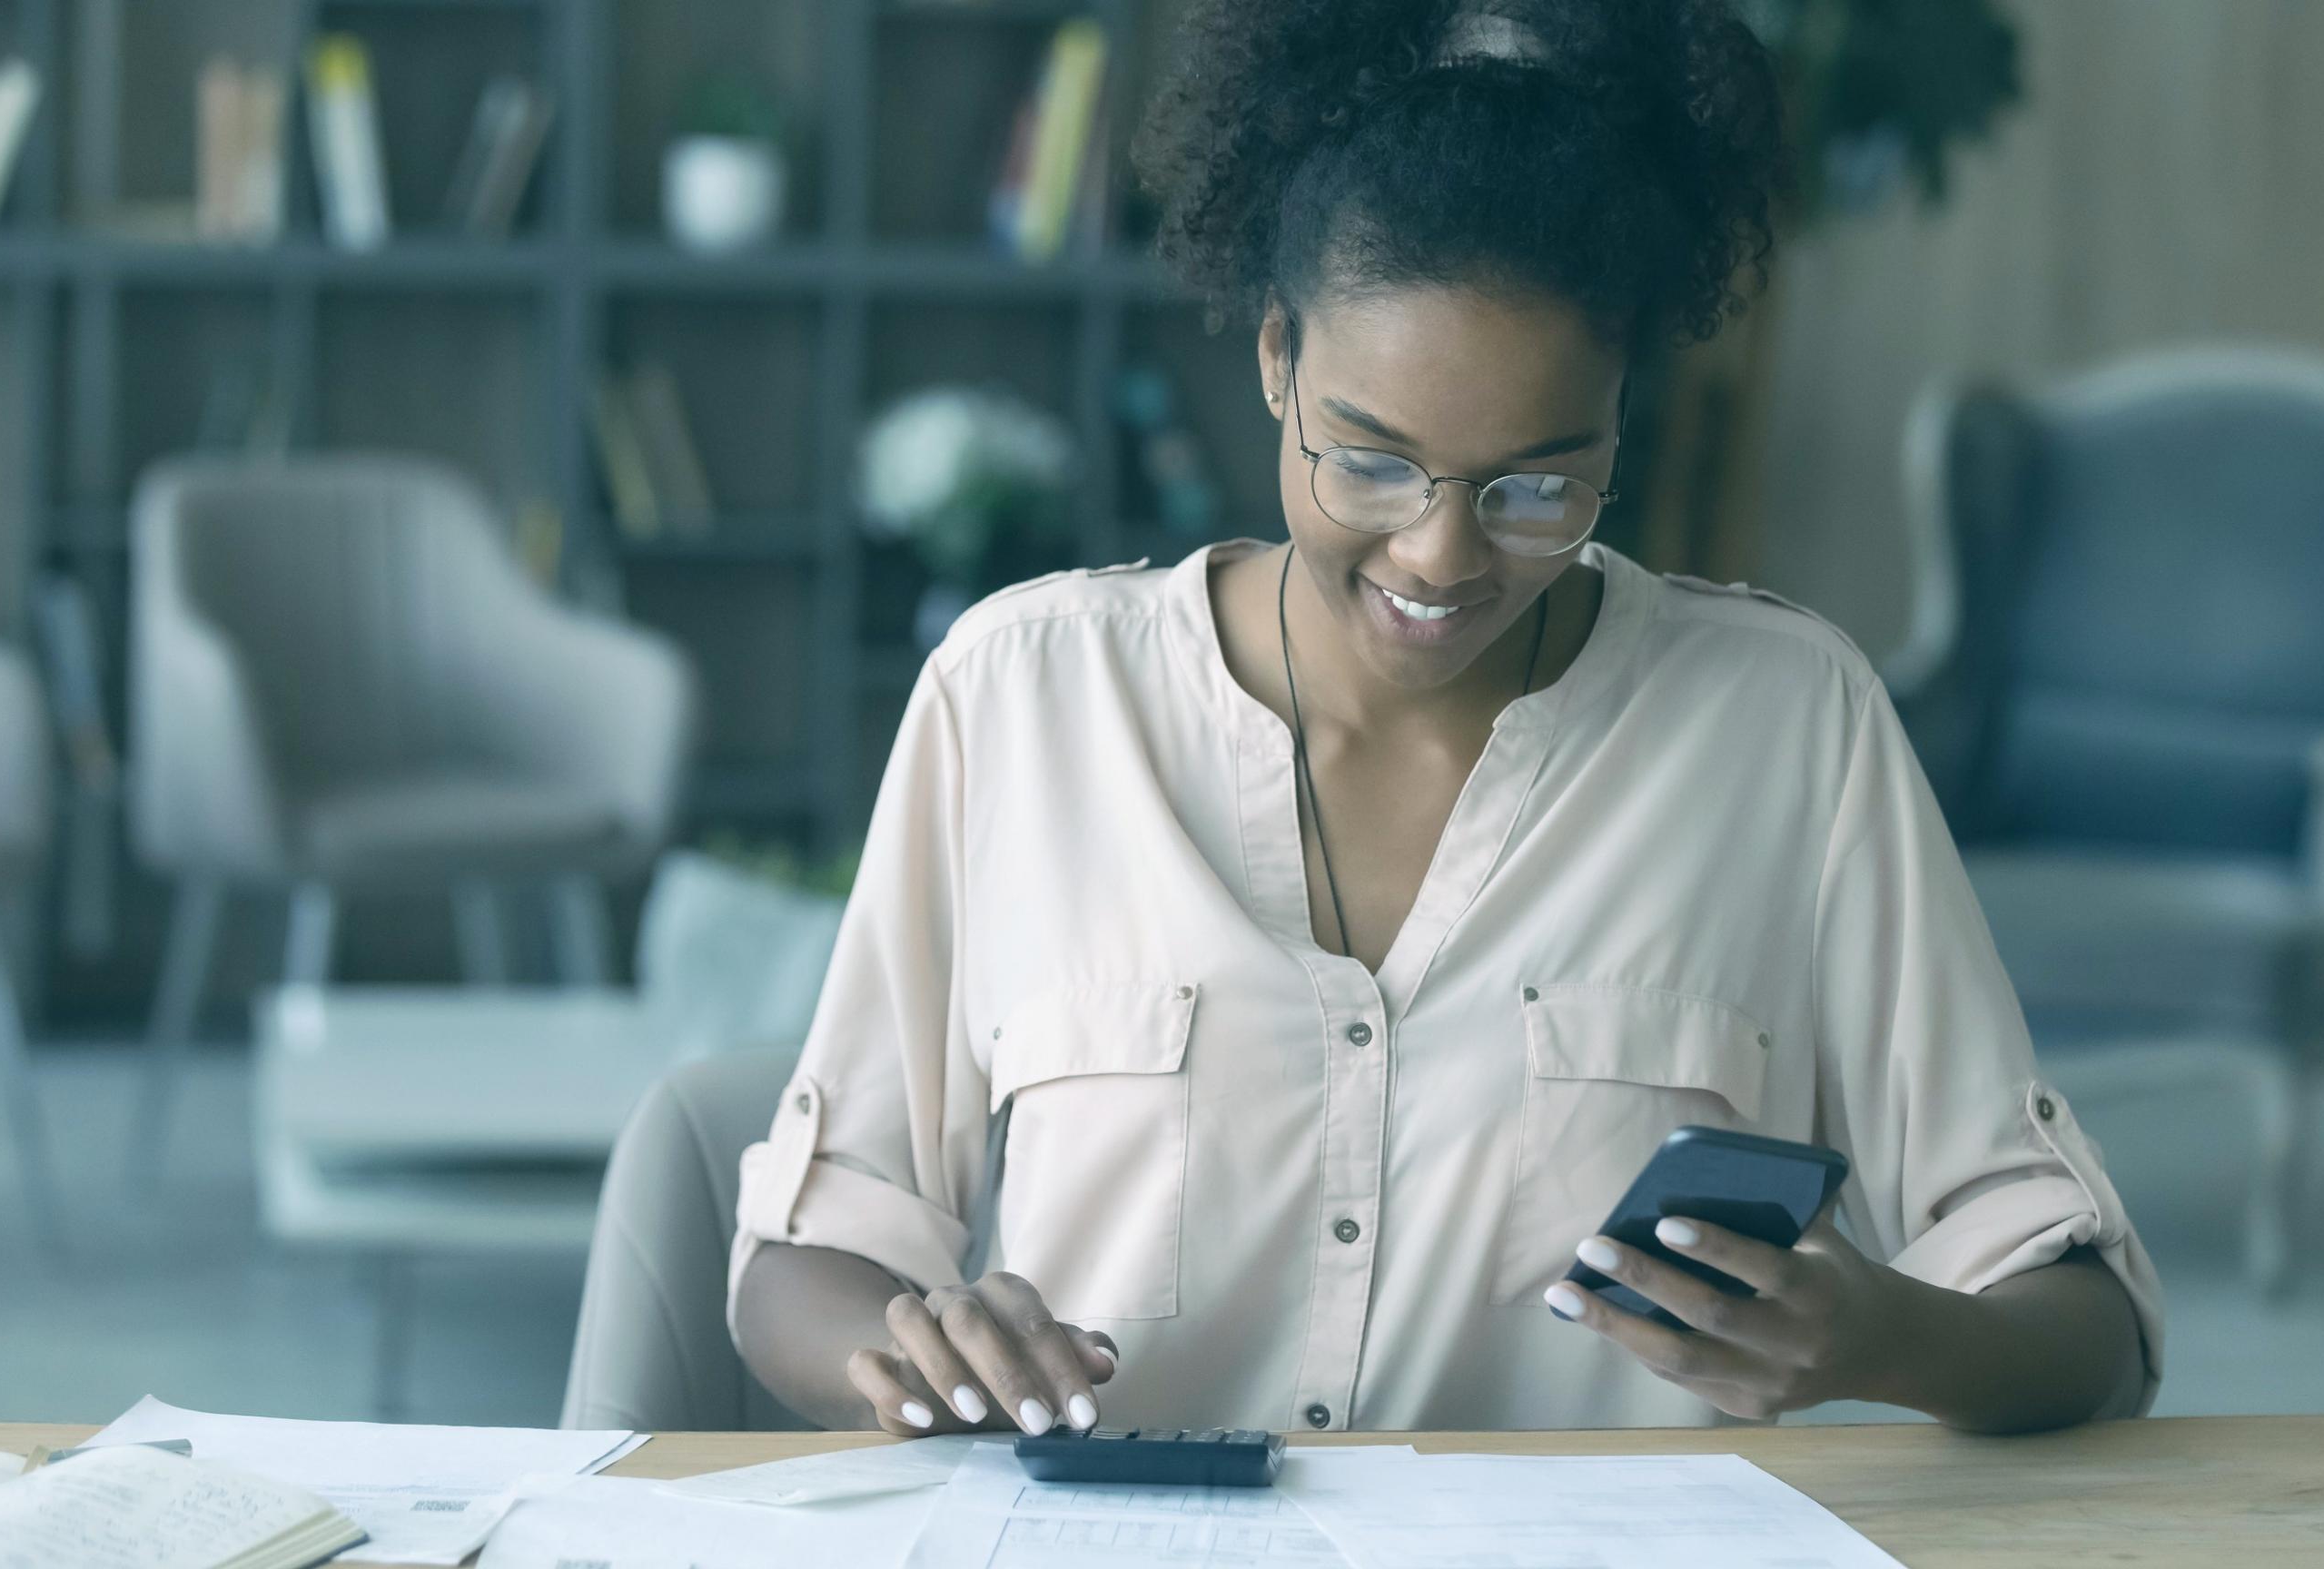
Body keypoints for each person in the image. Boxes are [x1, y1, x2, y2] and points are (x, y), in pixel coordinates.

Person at [729, 0, 2160, 1438]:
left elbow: (2087, 1324)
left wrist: (1883, 1339)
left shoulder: (1788, 730)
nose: (1442, 556)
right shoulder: (1024, 698)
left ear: (1620, 416)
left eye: (1538, 484)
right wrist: (924, 1352)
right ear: (1278, 356)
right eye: (1372, 463)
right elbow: (806, 1261)